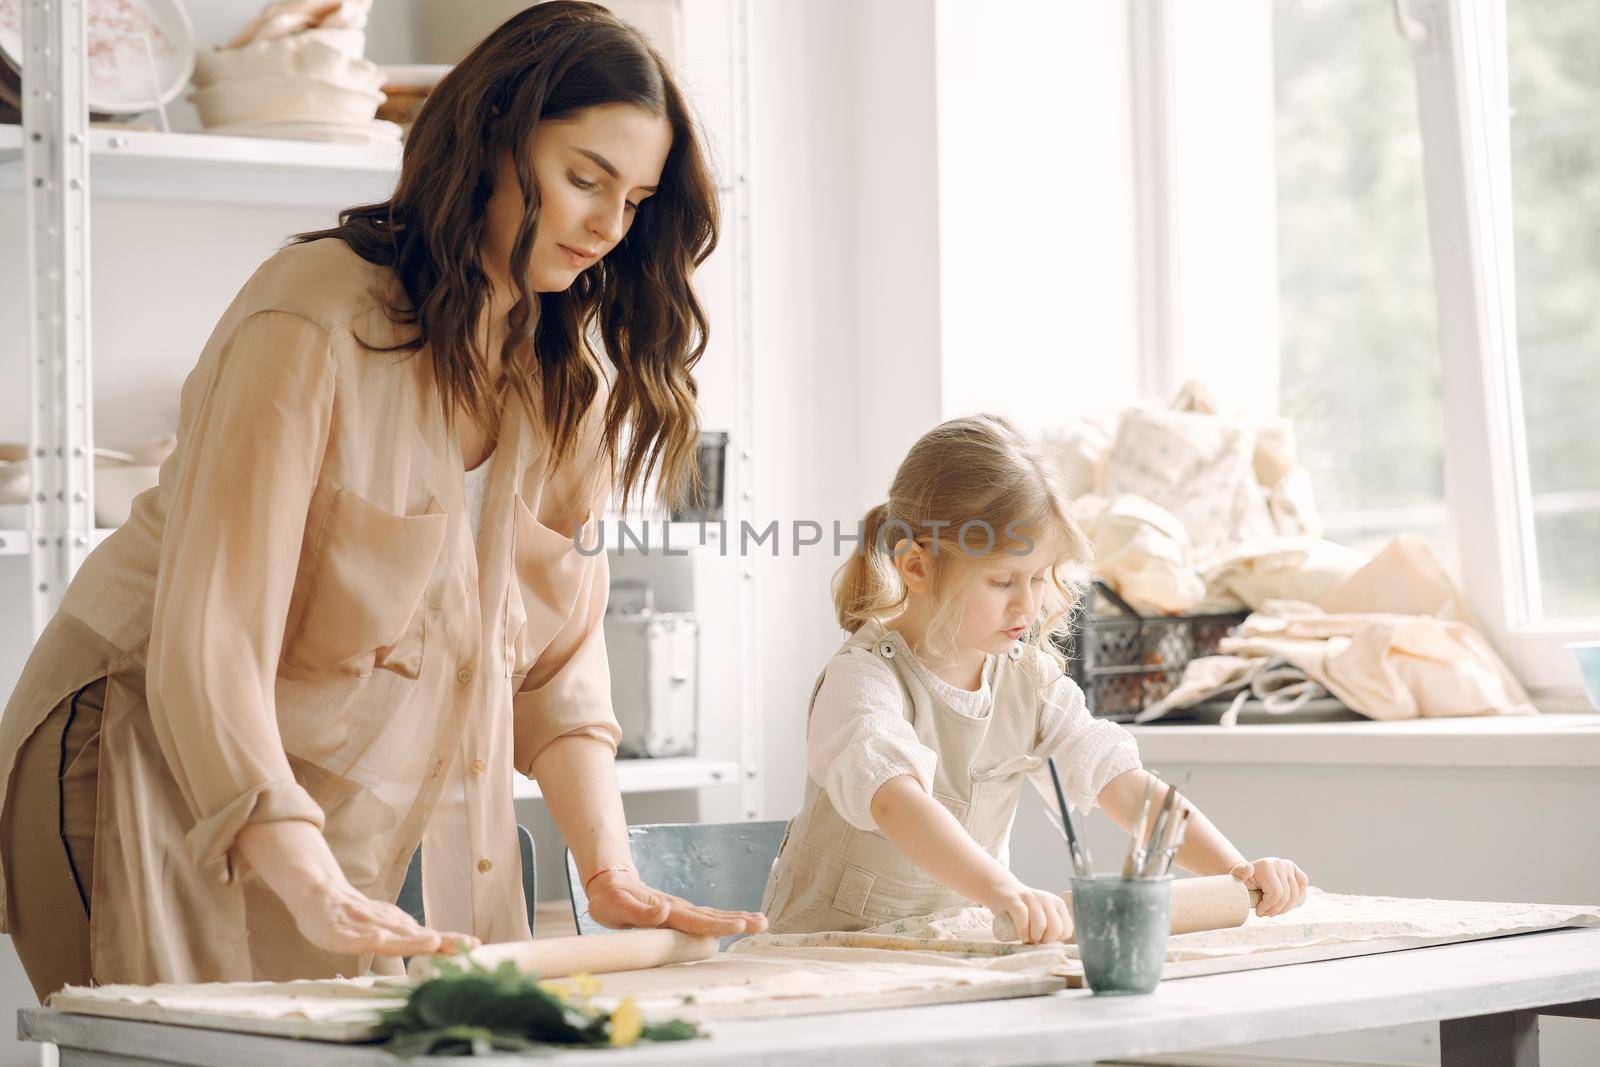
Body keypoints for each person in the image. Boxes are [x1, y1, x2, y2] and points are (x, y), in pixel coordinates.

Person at [0, 1, 763, 999]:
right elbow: (214, 632)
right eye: (583, 178)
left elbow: (556, 668)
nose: (607, 227)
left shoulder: (559, 377)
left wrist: (607, 869)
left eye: (634, 199)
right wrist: (299, 863)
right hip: (138, 743)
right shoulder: (313, 317)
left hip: (310, 793)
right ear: (492, 138)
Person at [761, 415, 1309, 942]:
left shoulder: (1028, 680)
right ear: (916, 566)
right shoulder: (865, 678)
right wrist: (1003, 890)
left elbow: (1122, 784)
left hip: (949, 945)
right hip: (831, 950)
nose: (1028, 603)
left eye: (1041, 578)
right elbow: (893, 801)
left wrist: (1237, 872)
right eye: (1003, 580)